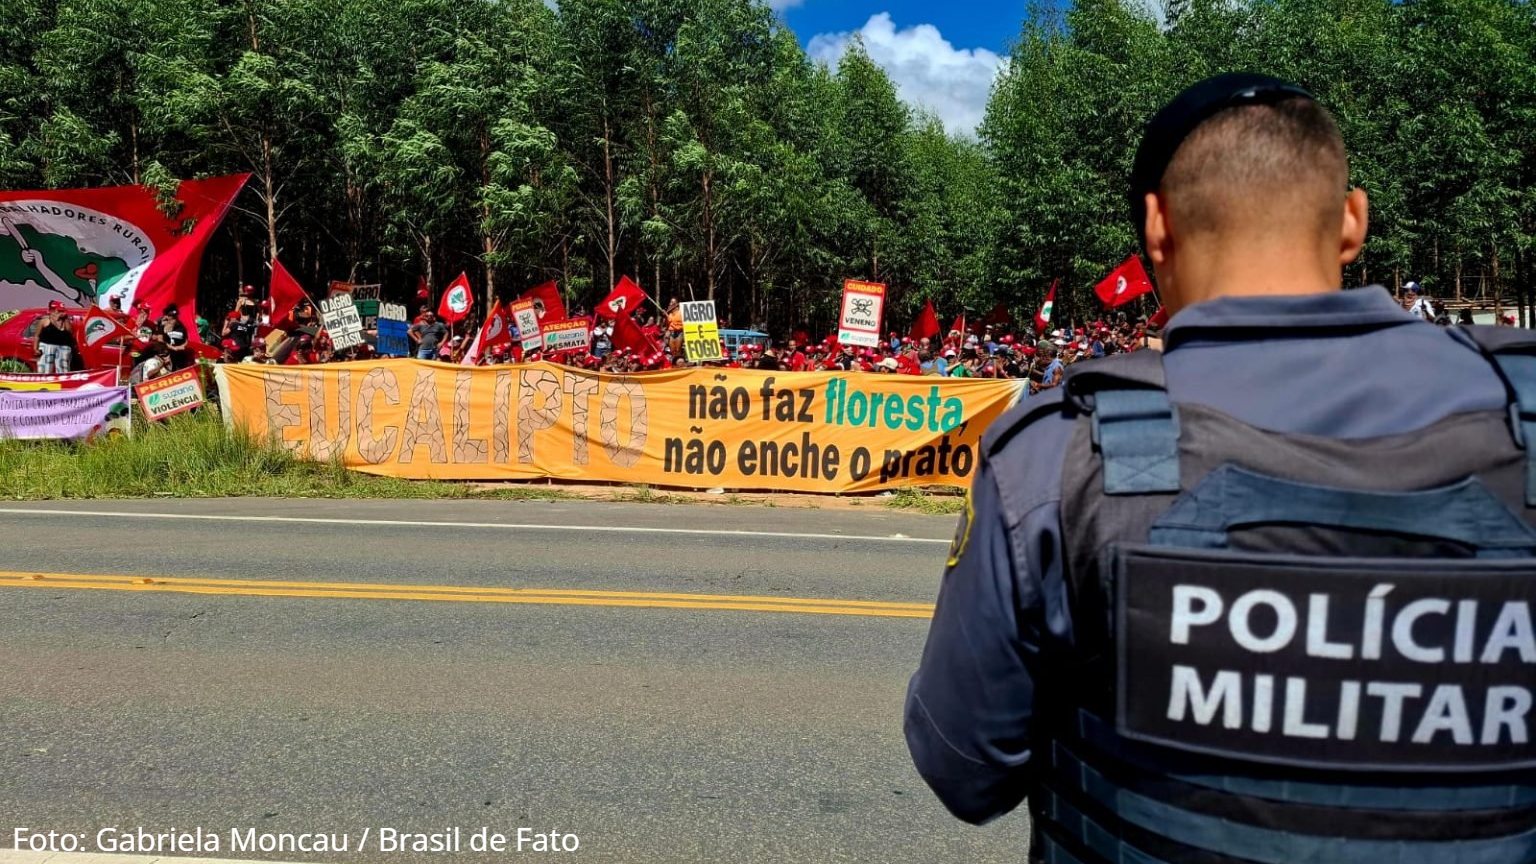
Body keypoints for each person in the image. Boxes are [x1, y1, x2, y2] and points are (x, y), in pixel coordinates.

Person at [907, 73, 1536, 862]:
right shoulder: (1524, 416)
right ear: (1352, 222)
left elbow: (966, 771)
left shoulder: (1060, 453)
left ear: (1156, 227)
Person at [35, 302, 77, 372]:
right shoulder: (44, 321)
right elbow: (37, 336)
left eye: (62, 310)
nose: (61, 312)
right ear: (52, 310)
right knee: (45, 369)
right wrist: (35, 348)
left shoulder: (64, 321)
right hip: (47, 346)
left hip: (63, 347)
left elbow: (70, 331)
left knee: (63, 369)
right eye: (59, 310)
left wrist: (65, 318)